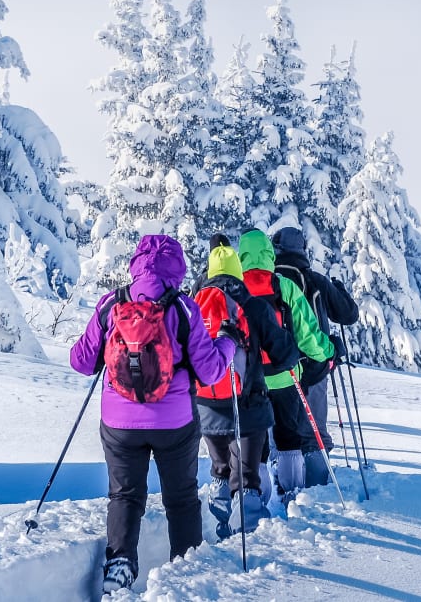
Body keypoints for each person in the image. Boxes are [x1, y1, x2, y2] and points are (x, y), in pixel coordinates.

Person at [70, 234, 237, 595]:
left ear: (136, 263)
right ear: (177, 268)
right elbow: (209, 372)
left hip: (119, 422)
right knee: (181, 496)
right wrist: (228, 340)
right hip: (174, 422)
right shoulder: (184, 308)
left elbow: (81, 362)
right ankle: (186, 567)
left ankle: (119, 564)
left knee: (125, 494)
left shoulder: (111, 303)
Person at [192, 240, 299, 538]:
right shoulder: (253, 305)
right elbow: (284, 353)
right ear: (238, 270)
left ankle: (220, 524)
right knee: (248, 476)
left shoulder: (193, 304)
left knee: (221, 470)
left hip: (206, 406)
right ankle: (250, 535)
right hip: (249, 407)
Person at [237, 229, 335, 501]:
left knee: (256, 443)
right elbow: (308, 335)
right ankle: (293, 493)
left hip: (248, 380)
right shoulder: (284, 286)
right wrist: (326, 352)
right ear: (270, 254)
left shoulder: (234, 288)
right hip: (286, 375)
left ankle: (258, 496)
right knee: (289, 437)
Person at [271, 226, 359, 487]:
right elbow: (348, 315)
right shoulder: (315, 280)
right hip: (315, 365)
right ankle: (317, 488)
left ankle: (283, 484)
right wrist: (340, 291)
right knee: (313, 431)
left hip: (278, 367)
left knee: (281, 431)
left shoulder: (270, 283)